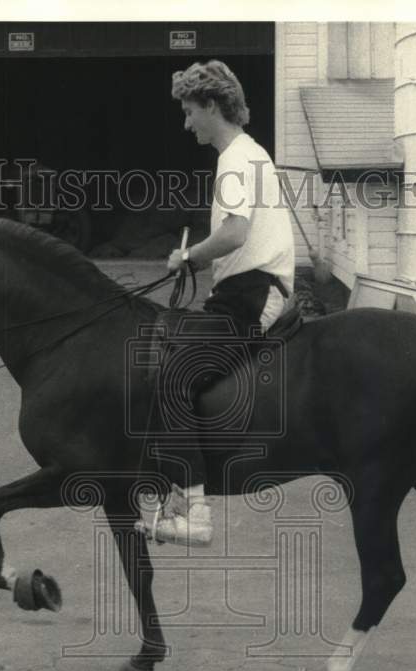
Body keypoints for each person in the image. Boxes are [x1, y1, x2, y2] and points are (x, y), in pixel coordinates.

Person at [139, 60, 294, 547]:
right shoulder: (250, 154)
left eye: (189, 112)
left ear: (211, 106)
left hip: (252, 297)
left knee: (171, 370)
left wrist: (187, 255)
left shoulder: (235, 161)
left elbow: (235, 233)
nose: (186, 124)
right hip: (243, 291)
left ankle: (194, 512)